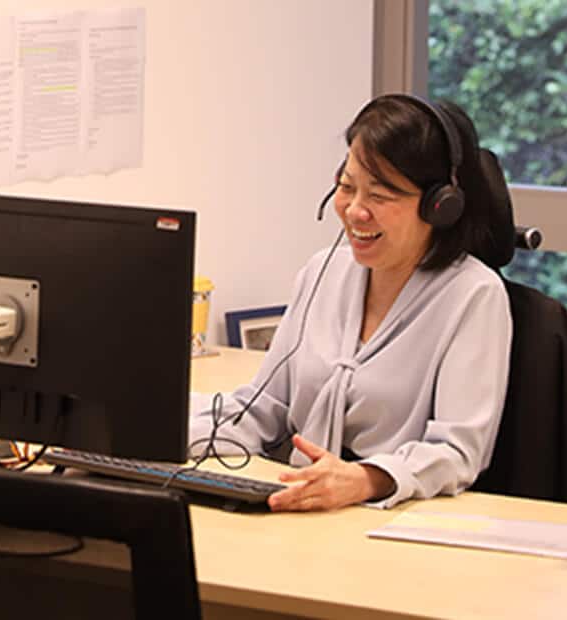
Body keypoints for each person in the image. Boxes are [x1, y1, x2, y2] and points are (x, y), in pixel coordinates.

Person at [189, 94, 512, 511]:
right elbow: (264, 407)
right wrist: (163, 437)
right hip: (305, 505)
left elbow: (456, 452)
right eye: (346, 187)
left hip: (392, 519)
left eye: (381, 195)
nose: (355, 211)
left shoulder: (473, 295)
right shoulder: (324, 271)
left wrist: (366, 480)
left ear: (440, 206)